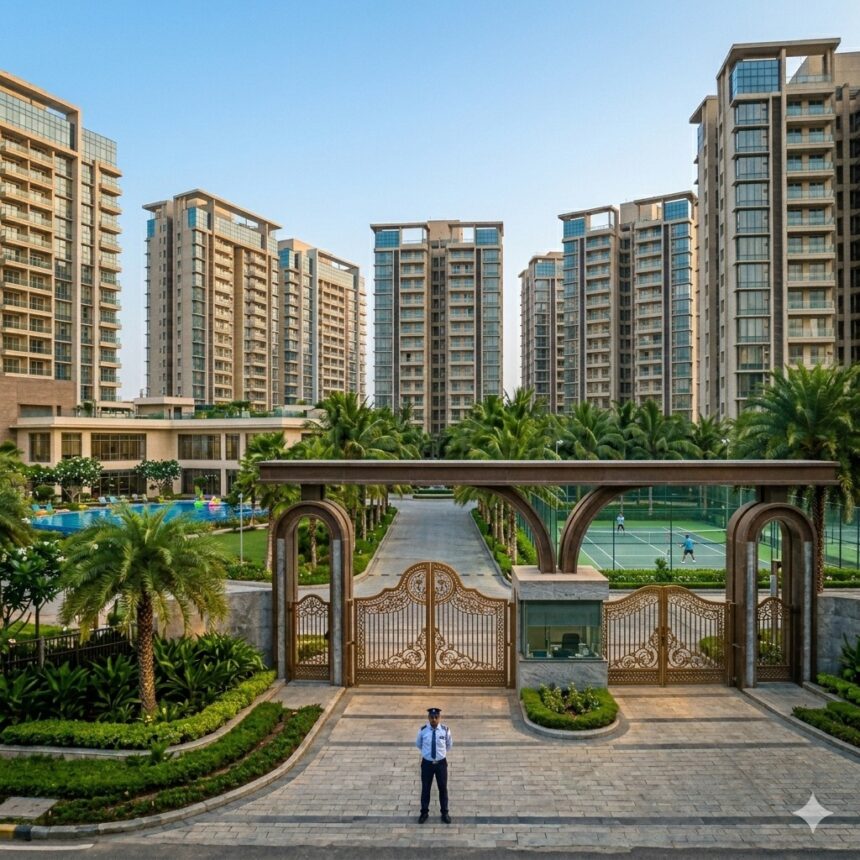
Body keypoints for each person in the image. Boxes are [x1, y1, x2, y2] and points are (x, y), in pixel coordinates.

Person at [415, 706, 453, 824]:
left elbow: (449, 745)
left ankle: (445, 812)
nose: (434, 719)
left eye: (436, 717)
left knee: (443, 788)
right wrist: (428, 755)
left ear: (439, 717)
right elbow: (419, 744)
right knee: (426, 788)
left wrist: (440, 755)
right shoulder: (423, 730)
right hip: (427, 764)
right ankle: (424, 812)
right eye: (432, 717)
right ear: (428, 717)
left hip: (441, 764)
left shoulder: (445, 730)